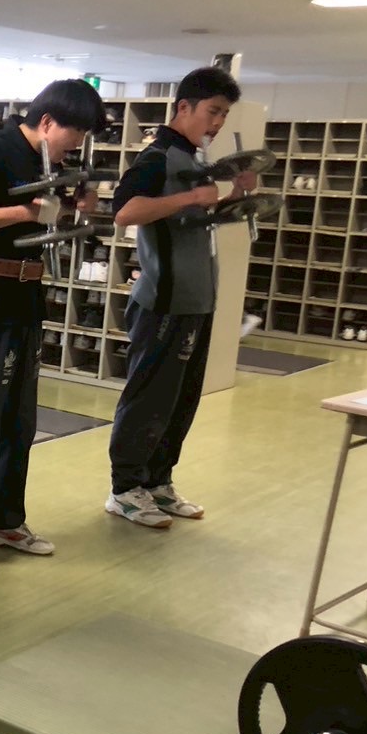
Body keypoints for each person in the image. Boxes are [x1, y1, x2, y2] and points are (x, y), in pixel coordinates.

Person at [0, 81, 107, 575]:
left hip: (28, 300)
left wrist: (74, 208)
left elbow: (47, 221)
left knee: (18, 423)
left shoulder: (49, 164)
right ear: (48, 121)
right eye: (75, 133)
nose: (78, 144)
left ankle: (5, 520)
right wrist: (29, 210)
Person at [105, 66, 256, 528]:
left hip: (197, 299)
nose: (218, 123)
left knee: (180, 400)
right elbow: (125, 212)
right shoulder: (158, 157)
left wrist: (234, 197)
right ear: (184, 107)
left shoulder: (193, 160)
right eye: (213, 111)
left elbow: (193, 223)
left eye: (224, 115)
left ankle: (157, 481)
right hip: (163, 300)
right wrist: (189, 198)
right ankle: (124, 489)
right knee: (149, 398)